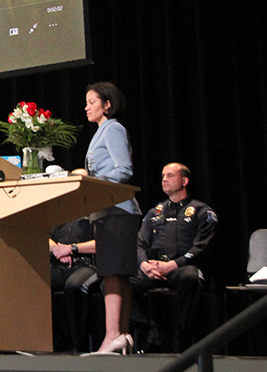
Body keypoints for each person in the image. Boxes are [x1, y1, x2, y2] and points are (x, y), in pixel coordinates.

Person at [74, 81, 141, 354]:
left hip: (117, 209)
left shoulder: (113, 128)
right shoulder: (102, 131)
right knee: (118, 273)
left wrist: (93, 184)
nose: (87, 107)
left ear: (107, 104)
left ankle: (112, 334)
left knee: (112, 272)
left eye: (92, 102)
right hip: (110, 210)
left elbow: (124, 169)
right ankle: (121, 335)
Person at [133, 163, 217, 352]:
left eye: (170, 175)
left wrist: (173, 265)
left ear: (184, 181)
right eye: (163, 176)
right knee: (116, 282)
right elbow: (139, 243)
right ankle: (150, 329)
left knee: (191, 277)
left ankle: (182, 338)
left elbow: (202, 246)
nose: (164, 179)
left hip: (181, 267)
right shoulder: (155, 212)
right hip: (154, 269)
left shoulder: (200, 210)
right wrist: (144, 265)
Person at [49, 217, 96, 353]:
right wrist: (57, 250)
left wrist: (71, 249)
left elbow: (102, 242)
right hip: (59, 262)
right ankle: (55, 339)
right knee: (38, 283)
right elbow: (45, 237)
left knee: (74, 286)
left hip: (85, 264)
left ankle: (77, 342)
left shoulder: (95, 213)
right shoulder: (60, 213)